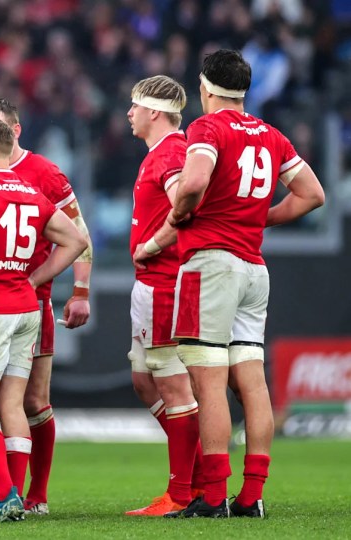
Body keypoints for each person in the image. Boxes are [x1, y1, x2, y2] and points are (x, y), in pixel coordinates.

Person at [146, 49, 324, 518]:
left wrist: (180, 214)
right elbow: (313, 195)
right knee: (253, 383)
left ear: (205, 88)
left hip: (212, 265)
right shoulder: (271, 134)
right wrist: (258, 219)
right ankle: (252, 496)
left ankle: (212, 496)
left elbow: (192, 182)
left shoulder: (206, 128)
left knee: (207, 384)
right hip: (253, 268)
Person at [0, 120, 87, 522]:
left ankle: (5, 496)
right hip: (27, 307)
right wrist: (34, 278)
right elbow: (76, 240)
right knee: (11, 404)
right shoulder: (33, 193)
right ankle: (18, 498)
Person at [123, 75, 204, 516]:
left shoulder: (171, 152)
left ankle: (182, 491)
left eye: (134, 107)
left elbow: (185, 205)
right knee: (144, 380)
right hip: (152, 284)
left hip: (165, 284)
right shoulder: (162, 152)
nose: (129, 114)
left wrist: (151, 246)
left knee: (173, 386)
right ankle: (198, 472)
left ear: (154, 112)